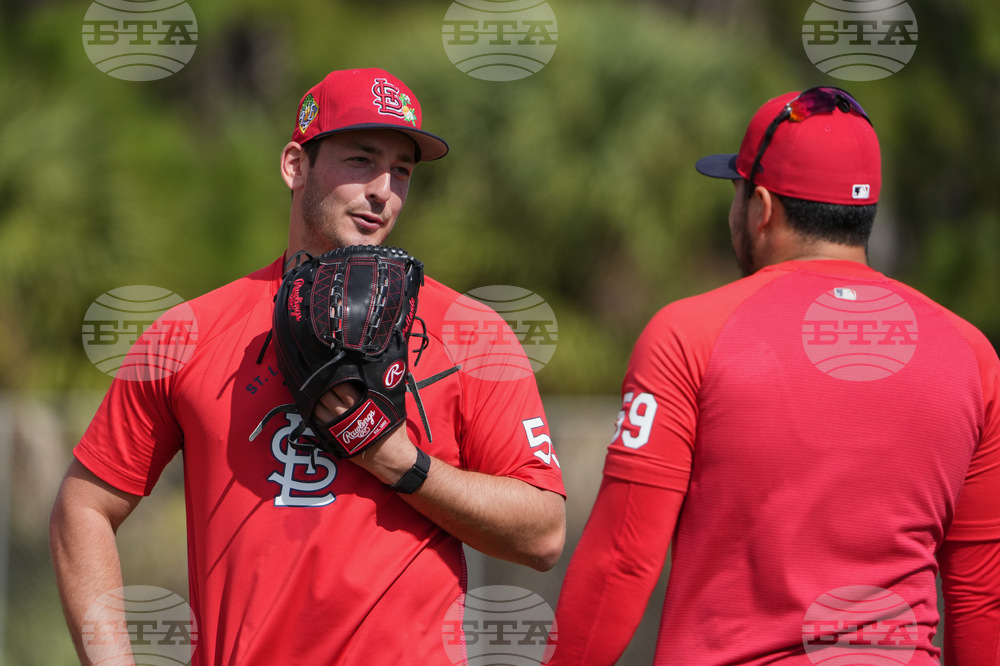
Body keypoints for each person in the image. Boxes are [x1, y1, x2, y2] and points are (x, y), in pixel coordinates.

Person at [50, 68, 566, 665]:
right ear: (295, 165)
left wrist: (402, 464)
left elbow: (543, 532)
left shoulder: (470, 332)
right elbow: (84, 507)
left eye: (402, 170)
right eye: (361, 159)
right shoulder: (190, 333)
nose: (383, 190)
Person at [550, 87, 1000, 664]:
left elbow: (622, 560)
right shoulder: (970, 352)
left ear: (761, 207)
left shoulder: (689, 334)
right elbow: (980, 592)